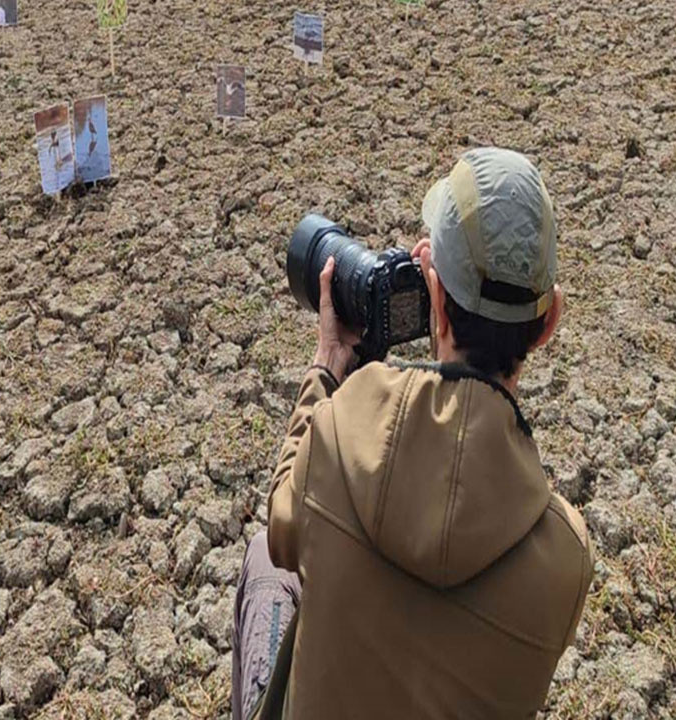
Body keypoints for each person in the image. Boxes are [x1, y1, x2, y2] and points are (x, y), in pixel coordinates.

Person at [232, 147, 593, 719]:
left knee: (263, 563)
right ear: (548, 325)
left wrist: (327, 368)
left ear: (438, 304)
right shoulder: (566, 558)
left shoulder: (339, 431)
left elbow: (284, 531)